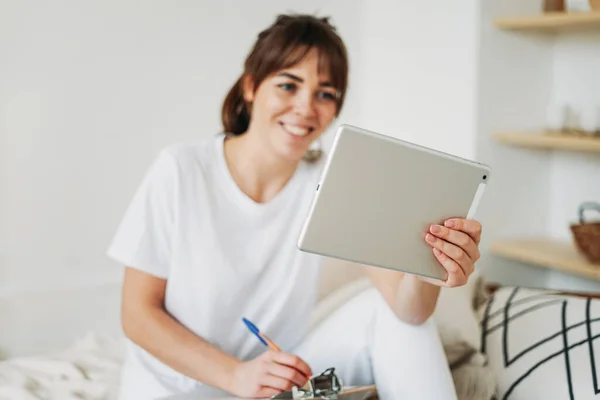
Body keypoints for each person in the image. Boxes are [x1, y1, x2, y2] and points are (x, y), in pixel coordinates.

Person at [107, 13, 483, 400]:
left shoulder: (335, 180)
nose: (305, 107)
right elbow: (137, 315)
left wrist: (428, 269)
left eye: (325, 93)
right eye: (289, 85)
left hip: (273, 381)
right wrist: (236, 376)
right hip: (180, 388)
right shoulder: (181, 169)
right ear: (251, 87)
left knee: (386, 315)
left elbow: (410, 314)